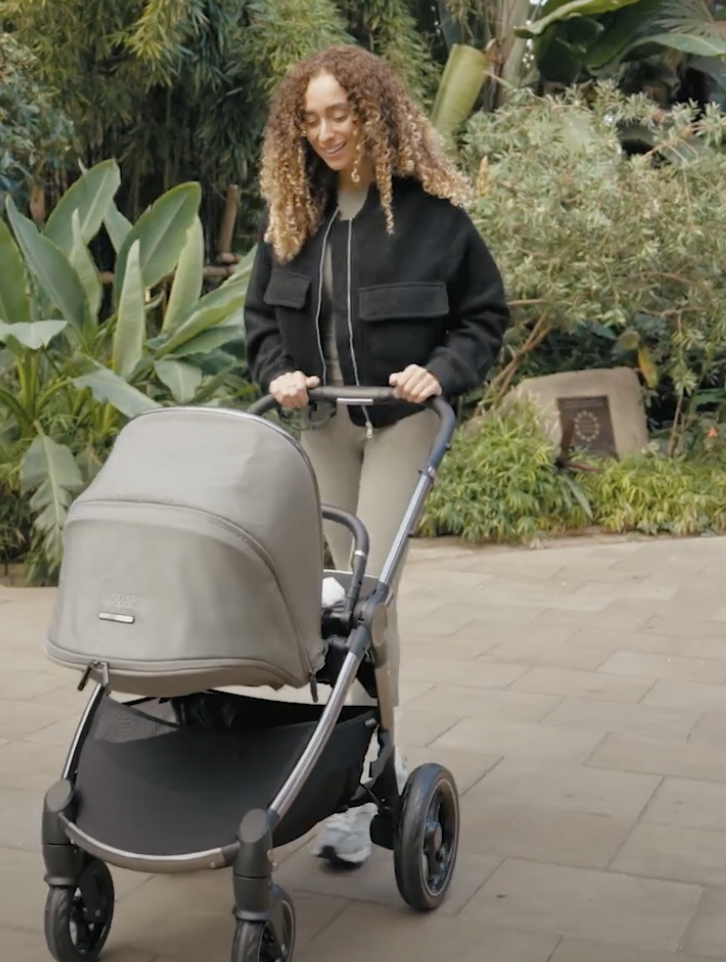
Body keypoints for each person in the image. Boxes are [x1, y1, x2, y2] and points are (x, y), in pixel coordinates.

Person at [241, 43, 511, 869]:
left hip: (401, 422)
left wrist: (441, 372)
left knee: (365, 595)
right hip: (324, 422)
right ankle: (349, 761)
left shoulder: (435, 221)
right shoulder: (292, 222)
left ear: (375, 114)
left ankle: (370, 781)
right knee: (329, 599)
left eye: (340, 115)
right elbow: (257, 326)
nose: (326, 133)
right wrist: (277, 375)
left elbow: (483, 319)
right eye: (311, 120)